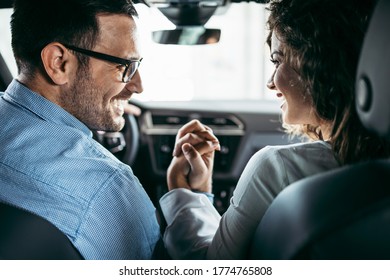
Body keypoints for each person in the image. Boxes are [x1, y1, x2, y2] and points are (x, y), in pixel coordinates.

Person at [159, 0, 390, 259]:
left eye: (277, 61)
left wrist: (186, 195)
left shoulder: (277, 168)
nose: (270, 82)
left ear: (320, 64)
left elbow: (214, 269)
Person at [0, 0, 169, 259]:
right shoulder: (106, 189)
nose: (137, 85)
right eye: (124, 66)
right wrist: (189, 197)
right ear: (58, 63)